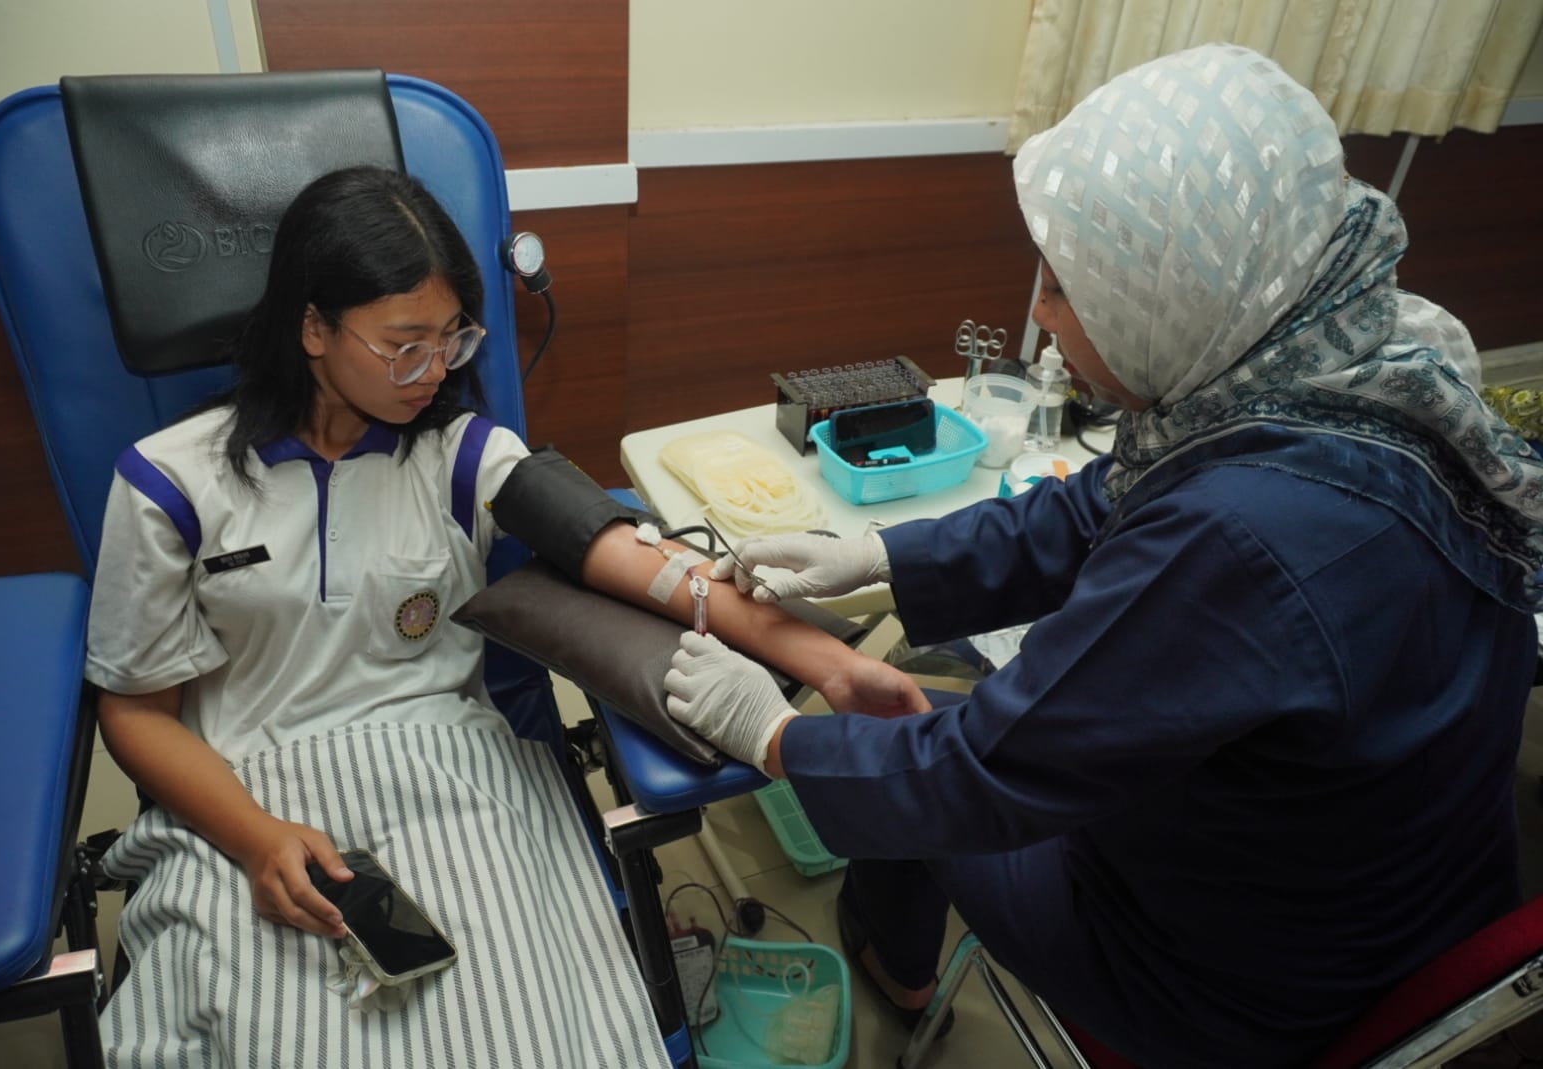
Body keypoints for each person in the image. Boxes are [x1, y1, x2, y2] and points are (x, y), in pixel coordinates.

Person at [663, 43, 1542, 1068]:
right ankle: (893, 945)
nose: (1040, 317)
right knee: (905, 721)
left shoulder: (1238, 539)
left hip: (1237, 981)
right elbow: (1101, 505)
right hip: (1398, 885)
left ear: (1183, 289)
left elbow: (980, 775)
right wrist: (876, 554)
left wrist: (774, 734)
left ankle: (896, 965)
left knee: (905, 749)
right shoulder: (1350, 362)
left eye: (1066, 289)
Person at [85, 165, 923, 1068]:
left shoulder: (462, 455)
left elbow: (654, 570)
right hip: (243, 795)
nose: (434, 370)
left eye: (452, 337)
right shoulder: (171, 483)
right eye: (403, 345)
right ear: (313, 327)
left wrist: (828, 663)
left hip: (449, 774)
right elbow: (135, 712)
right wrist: (256, 842)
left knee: (526, 1027)